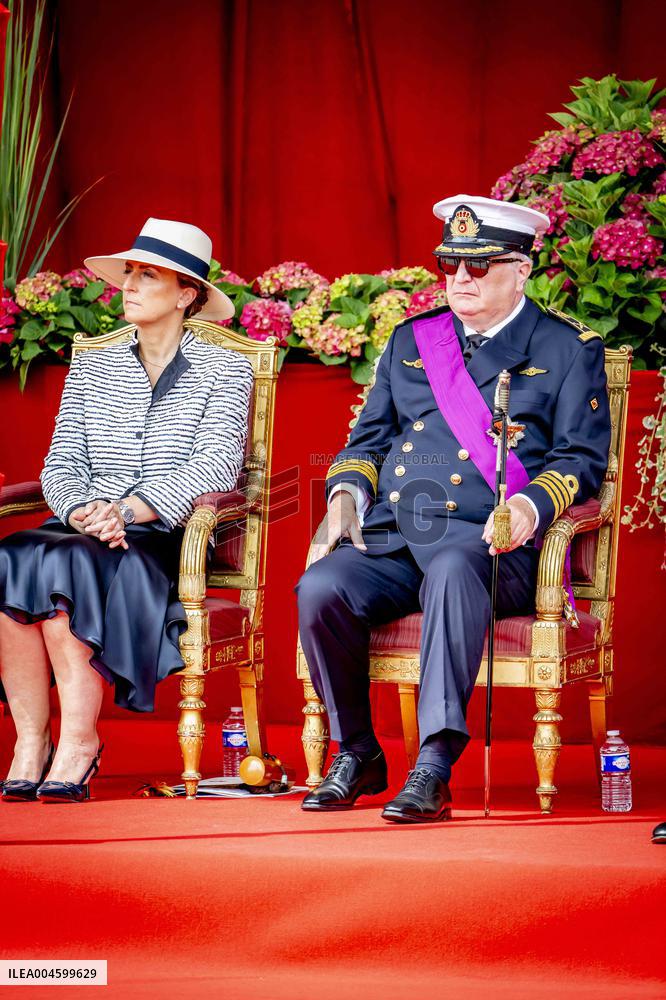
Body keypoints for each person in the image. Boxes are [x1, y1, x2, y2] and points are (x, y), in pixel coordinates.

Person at [297, 195, 612, 823]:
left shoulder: (567, 347)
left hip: (494, 546)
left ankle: (434, 765)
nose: (460, 280)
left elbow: (581, 458)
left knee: (452, 564)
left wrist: (529, 505)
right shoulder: (413, 339)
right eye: (450, 265)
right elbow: (368, 442)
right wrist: (344, 497)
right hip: (400, 532)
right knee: (321, 585)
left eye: (480, 265)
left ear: (522, 267)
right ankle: (359, 752)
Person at [0, 218, 252, 803]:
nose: (130, 285)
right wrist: (83, 509)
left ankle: (80, 742)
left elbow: (215, 468)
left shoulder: (225, 369)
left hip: (162, 535)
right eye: (129, 274)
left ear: (187, 294)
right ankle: (31, 740)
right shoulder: (94, 364)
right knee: (12, 556)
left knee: (63, 566)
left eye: (148, 275)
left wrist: (128, 511)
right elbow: (61, 459)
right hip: (85, 526)